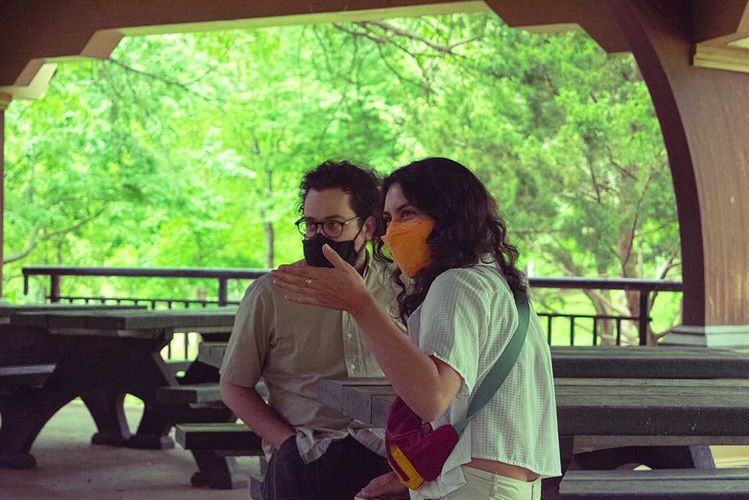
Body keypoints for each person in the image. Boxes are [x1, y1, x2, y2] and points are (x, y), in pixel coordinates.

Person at [273, 157, 561, 500]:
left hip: (475, 487)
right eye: (388, 218)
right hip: (504, 484)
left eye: (407, 213)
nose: (393, 230)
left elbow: (431, 397)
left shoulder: (456, 284)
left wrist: (360, 305)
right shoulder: (498, 283)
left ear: (450, 214)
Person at [220, 160, 402, 500]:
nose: (318, 236)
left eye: (333, 225)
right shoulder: (271, 293)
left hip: (390, 451)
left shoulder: (401, 287)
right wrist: (286, 443)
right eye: (310, 224)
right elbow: (234, 385)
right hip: (306, 450)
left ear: (367, 227)